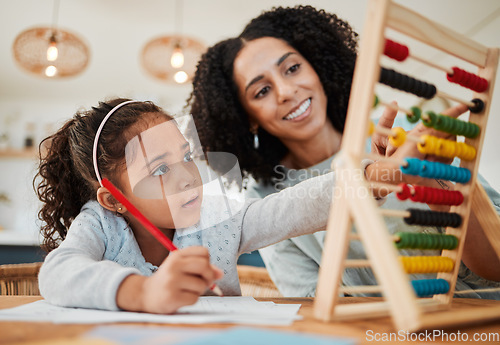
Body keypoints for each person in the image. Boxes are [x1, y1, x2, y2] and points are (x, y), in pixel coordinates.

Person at [188, 6, 500, 298]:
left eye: (292, 68)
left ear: (318, 67)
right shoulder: (267, 199)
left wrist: (431, 182)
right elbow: (312, 305)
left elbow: (496, 266)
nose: (286, 92)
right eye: (262, 91)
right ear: (248, 118)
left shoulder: (406, 132)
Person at [34, 98, 339, 313]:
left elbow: (287, 209)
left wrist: (364, 181)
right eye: (161, 170)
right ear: (114, 199)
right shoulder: (99, 225)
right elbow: (57, 273)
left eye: (187, 157)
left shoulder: (217, 217)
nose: (188, 178)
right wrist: (143, 292)